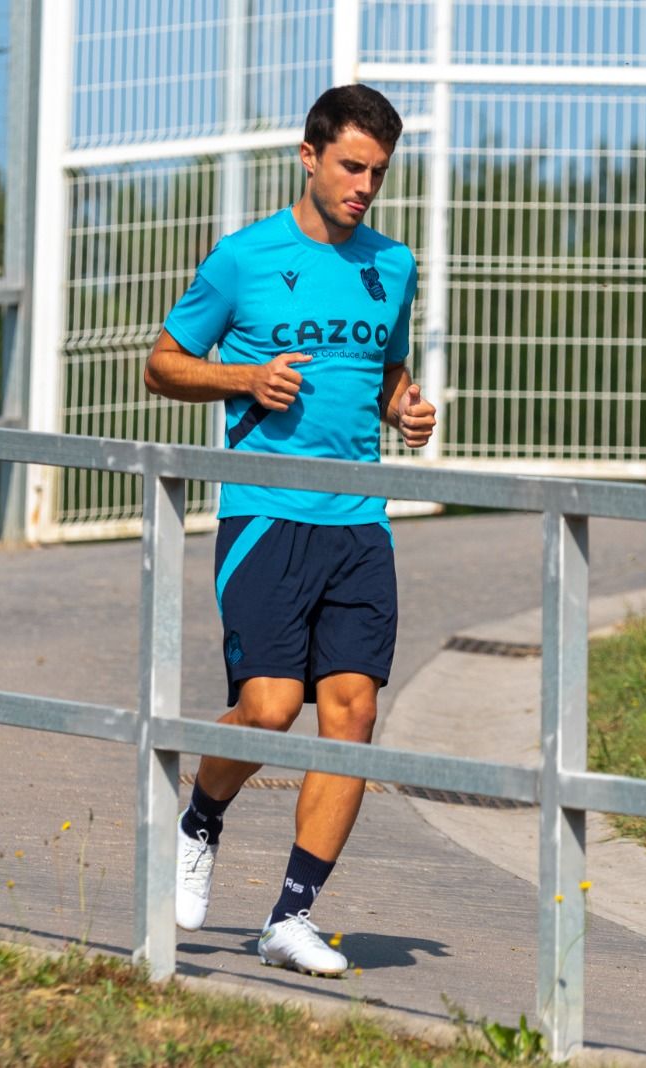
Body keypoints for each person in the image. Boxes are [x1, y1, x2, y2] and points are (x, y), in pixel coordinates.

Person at [143, 83, 436, 977]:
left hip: (359, 522)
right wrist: (243, 382)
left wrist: (407, 410)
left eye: (378, 172)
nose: (365, 187)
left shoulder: (394, 265)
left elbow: (384, 373)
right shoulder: (242, 259)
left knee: (353, 716)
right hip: (266, 515)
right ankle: (202, 817)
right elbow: (162, 364)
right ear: (308, 159)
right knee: (269, 708)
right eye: (351, 167)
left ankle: (292, 916)